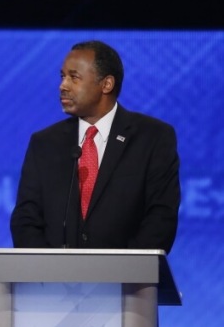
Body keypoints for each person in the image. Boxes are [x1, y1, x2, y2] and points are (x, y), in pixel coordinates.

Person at [10, 40, 180, 253]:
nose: (63, 85)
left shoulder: (152, 138)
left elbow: (161, 217)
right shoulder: (44, 143)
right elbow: (25, 219)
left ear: (106, 84)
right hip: (53, 281)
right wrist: (49, 270)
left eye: (74, 77)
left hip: (127, 282)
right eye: (62, 76)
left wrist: (123, 274)